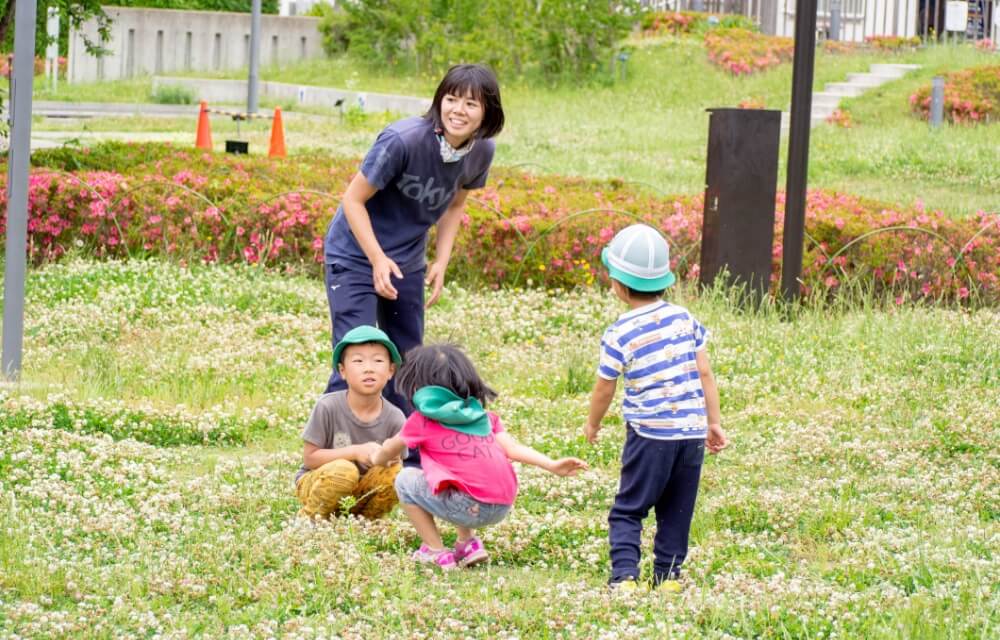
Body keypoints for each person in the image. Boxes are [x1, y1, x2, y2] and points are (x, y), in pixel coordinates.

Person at [321, 64, 505, 419]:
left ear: (488, 112)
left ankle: (406, 449)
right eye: (451, 99)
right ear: (439, 101)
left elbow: (456, 203)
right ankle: (330, 451)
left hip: (406, 259)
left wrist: (441, 260)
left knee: (407, 358)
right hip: (356, 253)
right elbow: (352, 200)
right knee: (358, 352)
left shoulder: (482, 150)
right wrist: (376, 258)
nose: (458, 110)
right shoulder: (402, 140)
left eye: (471, 104)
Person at [583, 224, 728, 593]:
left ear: (617, 282)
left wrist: (593, 423)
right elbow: (705, 371)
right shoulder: (683, 319)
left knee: (629, 507)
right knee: (677, 510)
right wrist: (714, 422)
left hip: (650, 434)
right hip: (692, 432)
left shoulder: (620, 332)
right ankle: (668, 578)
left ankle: (625, 577)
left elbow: (605, 386)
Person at [370, 344, 588, 570]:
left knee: (406, 480)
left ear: (418, 387)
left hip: (467, 507)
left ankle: (434, 550)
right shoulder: (484, 417)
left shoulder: (421, 421)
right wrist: (551, 465)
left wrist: (378, 456)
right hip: (502, 505)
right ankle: (468, 545)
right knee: (458, 474)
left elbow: (389, 451)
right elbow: (512, 450)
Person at [295, 325, 406, 521]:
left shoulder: (395, 417)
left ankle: (366, 522)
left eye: (378, 360)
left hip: (361, 492)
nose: (368, 368)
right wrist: (355, 452)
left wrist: (384, 456)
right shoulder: (327, 406)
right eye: (358, 361)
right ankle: (310, 520)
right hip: (319, 482)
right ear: (342, 370)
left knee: (397, 475)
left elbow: (395, 464)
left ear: (390, 371)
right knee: (344, 471)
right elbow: (310, 458)